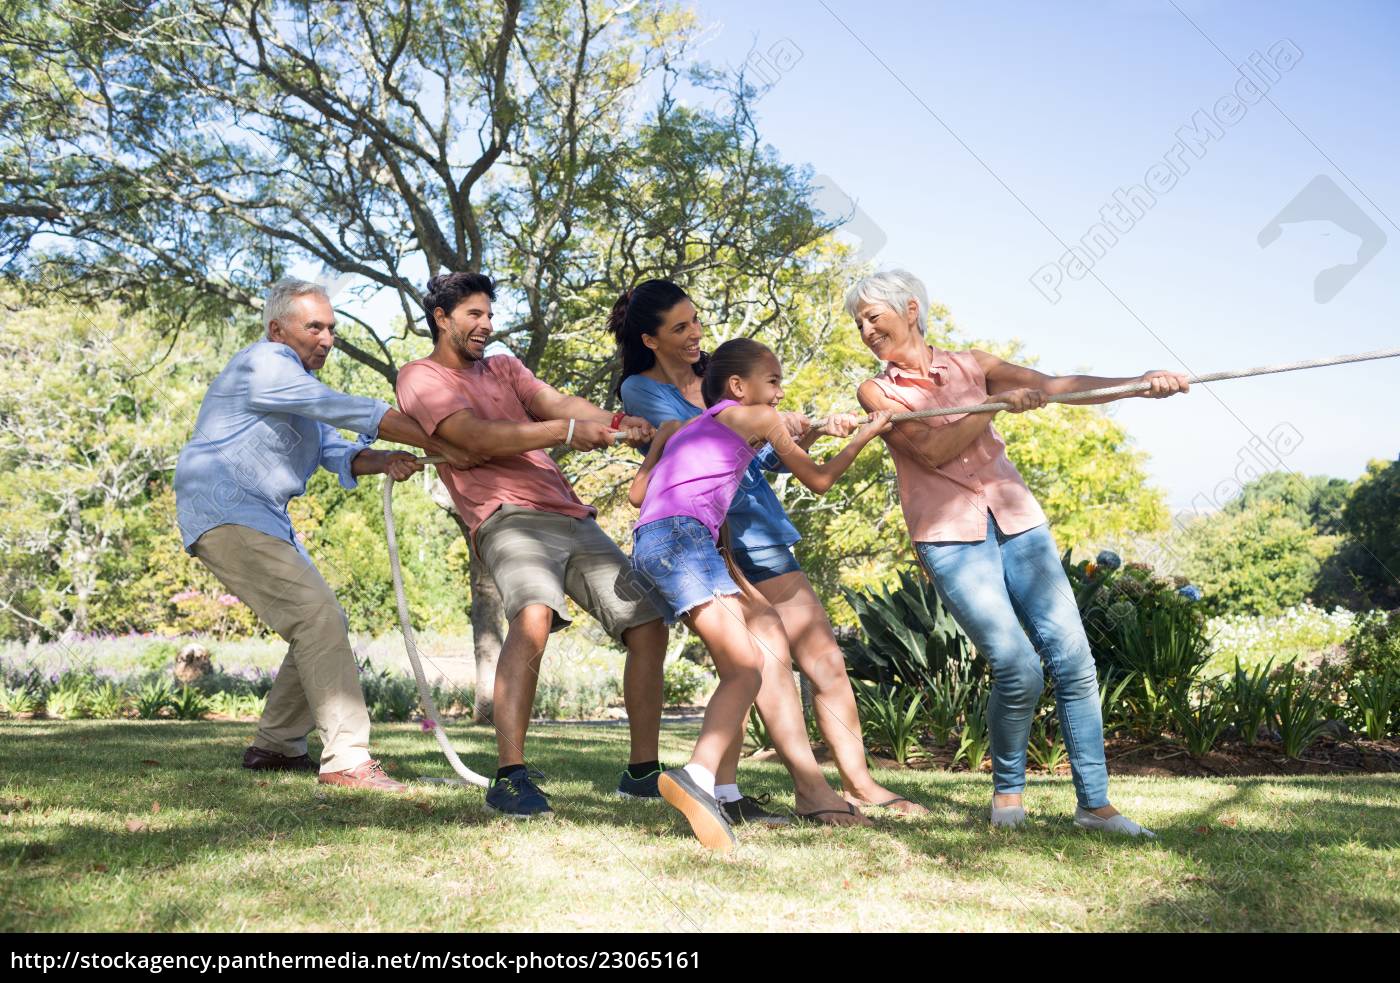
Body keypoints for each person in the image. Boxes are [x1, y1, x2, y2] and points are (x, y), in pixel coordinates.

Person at [849, 269, 1189, 836]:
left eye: (872, 315)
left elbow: (1058, 385)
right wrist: (996, 405)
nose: (865, 329)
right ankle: (1008, 797)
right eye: (858, 321)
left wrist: (1138, 383)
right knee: (1017, 664)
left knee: (1074, 659)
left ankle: (1095, 806)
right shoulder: (878, 392)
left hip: (1018, 521)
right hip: (950, 538)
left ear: (910, 309)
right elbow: (933, 452)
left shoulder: (972, 363)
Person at [611, 280, 928, 821]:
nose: (695, 334)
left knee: (786, 650)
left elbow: (652, 486)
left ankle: (770, 789)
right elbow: (816, 480)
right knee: (751, 665)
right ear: (651, 338)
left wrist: (800, 431)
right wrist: (859, 435)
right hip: (703, 540)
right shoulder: (652, 392)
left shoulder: (709, 411)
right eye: (680, 327)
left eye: (696, 321)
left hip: (688, 535)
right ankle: (707, 780)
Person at [175, 277, 474, 792]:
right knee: (317, 617)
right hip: (227, 509)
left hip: (258, 517)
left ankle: (276, 746)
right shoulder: (265, 363)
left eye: (331, 328)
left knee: (319, 620)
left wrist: (387, 459)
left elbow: (334, 448)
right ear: (277, 329)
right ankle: (347, 761)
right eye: (314, 326)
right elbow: (341, 408)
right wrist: (439, 434)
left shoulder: (298, 397)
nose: (327, 338)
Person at [394, 271, 668, 819]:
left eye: (490, 316)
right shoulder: (419, 377)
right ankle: (510, 777)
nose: (486, 326)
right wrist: (564, 433)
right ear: (441, 318)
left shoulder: (503, 367)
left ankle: (642, 773)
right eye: (474, 314)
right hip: (505, 516)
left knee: (648, 621)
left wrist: (615, 421)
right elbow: (475, 437)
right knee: (534, 618)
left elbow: (555, 400)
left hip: (569, 511)